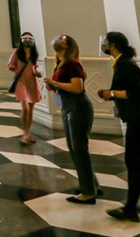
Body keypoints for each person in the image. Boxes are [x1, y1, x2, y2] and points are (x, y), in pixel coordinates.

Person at [98, 32, 140, 222]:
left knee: (133, 162)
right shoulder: (124, 63)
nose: (104, 45)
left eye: (106, 43)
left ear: (113, 45)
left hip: (139, 120)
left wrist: (111, 93)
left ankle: (130, 209)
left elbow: (134, 93)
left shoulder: (125, 65)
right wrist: (111, 94)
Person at [43, 35, 100, 204]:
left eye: (61, 39)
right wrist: (52, 85)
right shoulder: (60, 63)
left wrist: (55, 84)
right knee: (74, 148)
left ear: (68, 46)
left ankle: (88, 193)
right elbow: (62, 87)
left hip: (78, 107)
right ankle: (91, 184)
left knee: (79, 149)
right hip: (68, 106)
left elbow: (77, 88)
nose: (56, 40)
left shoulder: (72, 63)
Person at [7, 32, 43, 144]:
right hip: (21, 82)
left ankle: (27, 133)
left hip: (32, 82)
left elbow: (34, 68)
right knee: (25, 108)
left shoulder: (34, 54)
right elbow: (10, 66)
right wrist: (16, 70)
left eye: (30, 38)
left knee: (31, 109)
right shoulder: (17, 53)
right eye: (25, 38)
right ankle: (24, 133)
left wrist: (37, 73)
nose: (27, 40)